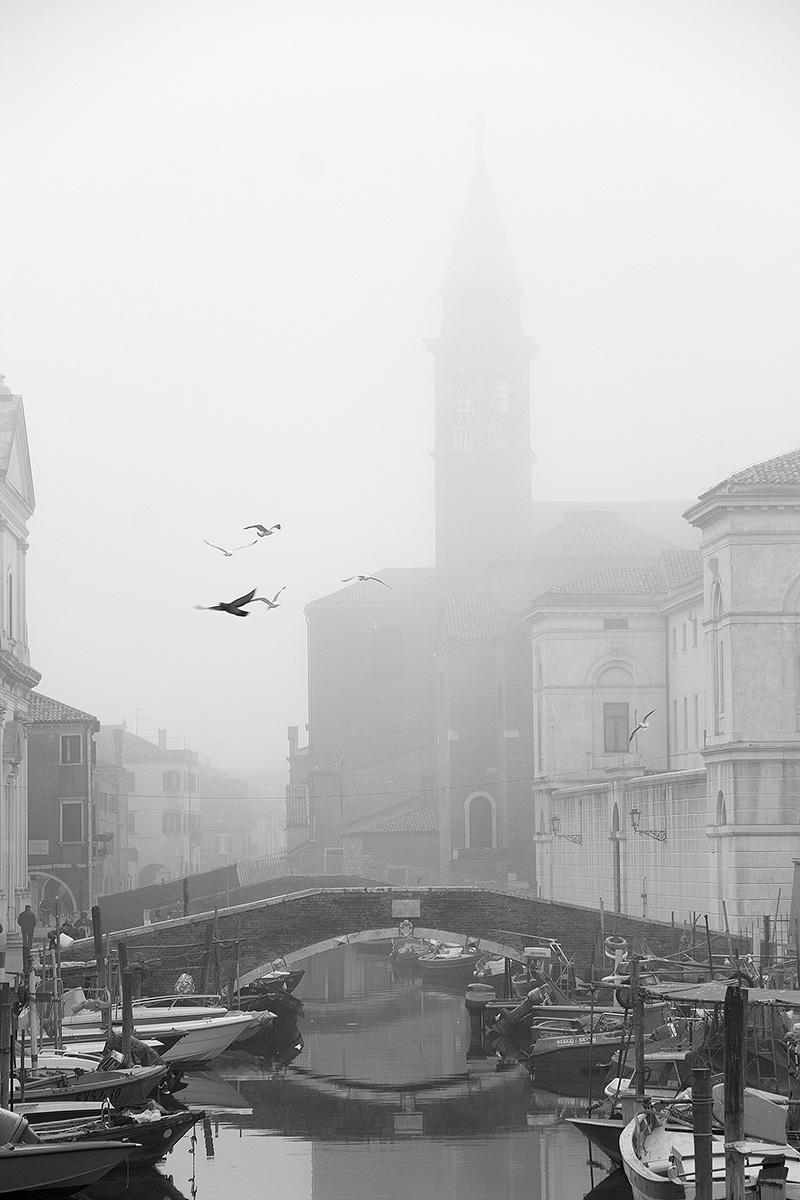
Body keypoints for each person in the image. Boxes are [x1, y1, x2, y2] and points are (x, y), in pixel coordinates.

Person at [17, 904, 37, 972]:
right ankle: (29, 946)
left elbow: (19, 921)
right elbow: (34, 922)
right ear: (29, 908)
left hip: (24, 928)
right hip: (30, 928)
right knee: (30, 937)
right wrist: (32, 926)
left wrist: (22, 925)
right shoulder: (32, 914)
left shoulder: (22, 914)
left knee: (24, 937)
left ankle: (25, 946)